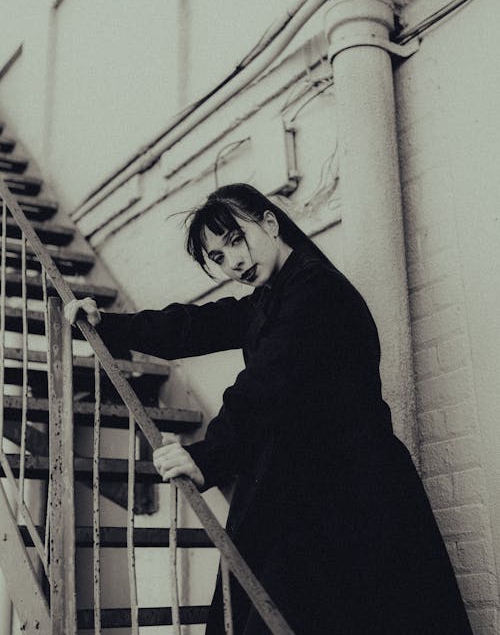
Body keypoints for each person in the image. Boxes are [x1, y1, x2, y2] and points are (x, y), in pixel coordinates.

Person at [65, 183, 472, 635]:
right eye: (217, 257)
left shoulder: (314, 289)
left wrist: (207, 456)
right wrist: (109, 324)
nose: (233, 262)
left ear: (270, 223)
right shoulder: (277, 295)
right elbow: (197, 324)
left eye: (235, 240)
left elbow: (267, 382)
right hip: (323, 488)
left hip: (351, 492)